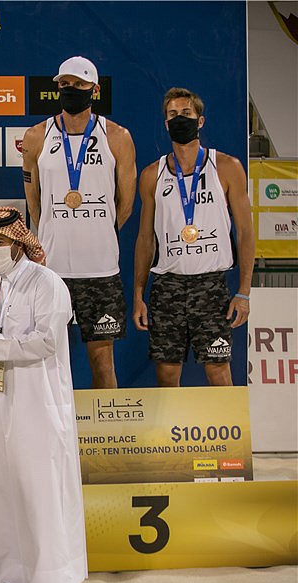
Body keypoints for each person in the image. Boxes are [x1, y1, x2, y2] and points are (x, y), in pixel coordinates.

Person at [0, 206, 87, 583]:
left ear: (18, 243)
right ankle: (10, 573)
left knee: (38, 487)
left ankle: (50, 581)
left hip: (37, 399)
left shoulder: (46, 283)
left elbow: (46, 341)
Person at [21, 55, 136, 389]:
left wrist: (97, 232)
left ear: (95, 90)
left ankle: (104, 424)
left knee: (103, 364)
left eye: (79, 84)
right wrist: (54, 232)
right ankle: (51, 424)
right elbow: (34, 202)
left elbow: (125, 205)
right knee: (46, 362)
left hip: (101, 271)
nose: (71, 89)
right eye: (65, 84)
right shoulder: (36, 136)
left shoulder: (117, 136)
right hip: (52, 271)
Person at [133, 88, 254, 386]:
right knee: (166, 373)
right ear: (166, 124)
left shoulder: (227, 167)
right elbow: (145, 239)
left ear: (200, 120)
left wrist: (244, 292)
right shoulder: (151, 175)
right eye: (173, 114)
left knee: (218, 370)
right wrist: (138, 294)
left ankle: (227, 421)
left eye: (186, 113)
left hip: (210, 285)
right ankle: (168, 422)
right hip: (167, 285)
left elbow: (245, 232)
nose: (179, 119)